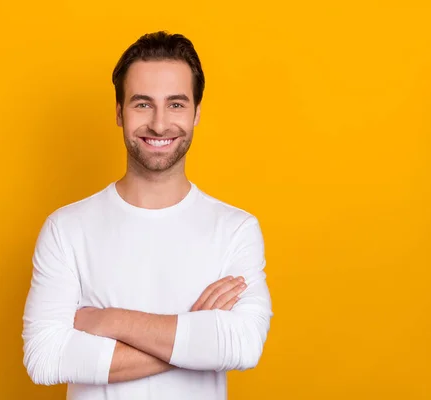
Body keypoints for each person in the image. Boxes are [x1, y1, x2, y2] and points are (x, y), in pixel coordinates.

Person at [22, 31, 273, 400]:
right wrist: (196, 337)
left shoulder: (235, 229)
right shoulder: (67, 228)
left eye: (175, 104)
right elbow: (45, 358)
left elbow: (242, 345)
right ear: (119, 112)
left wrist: (109, 321)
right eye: (142, 104)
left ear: (197, 112)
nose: (159, 124)